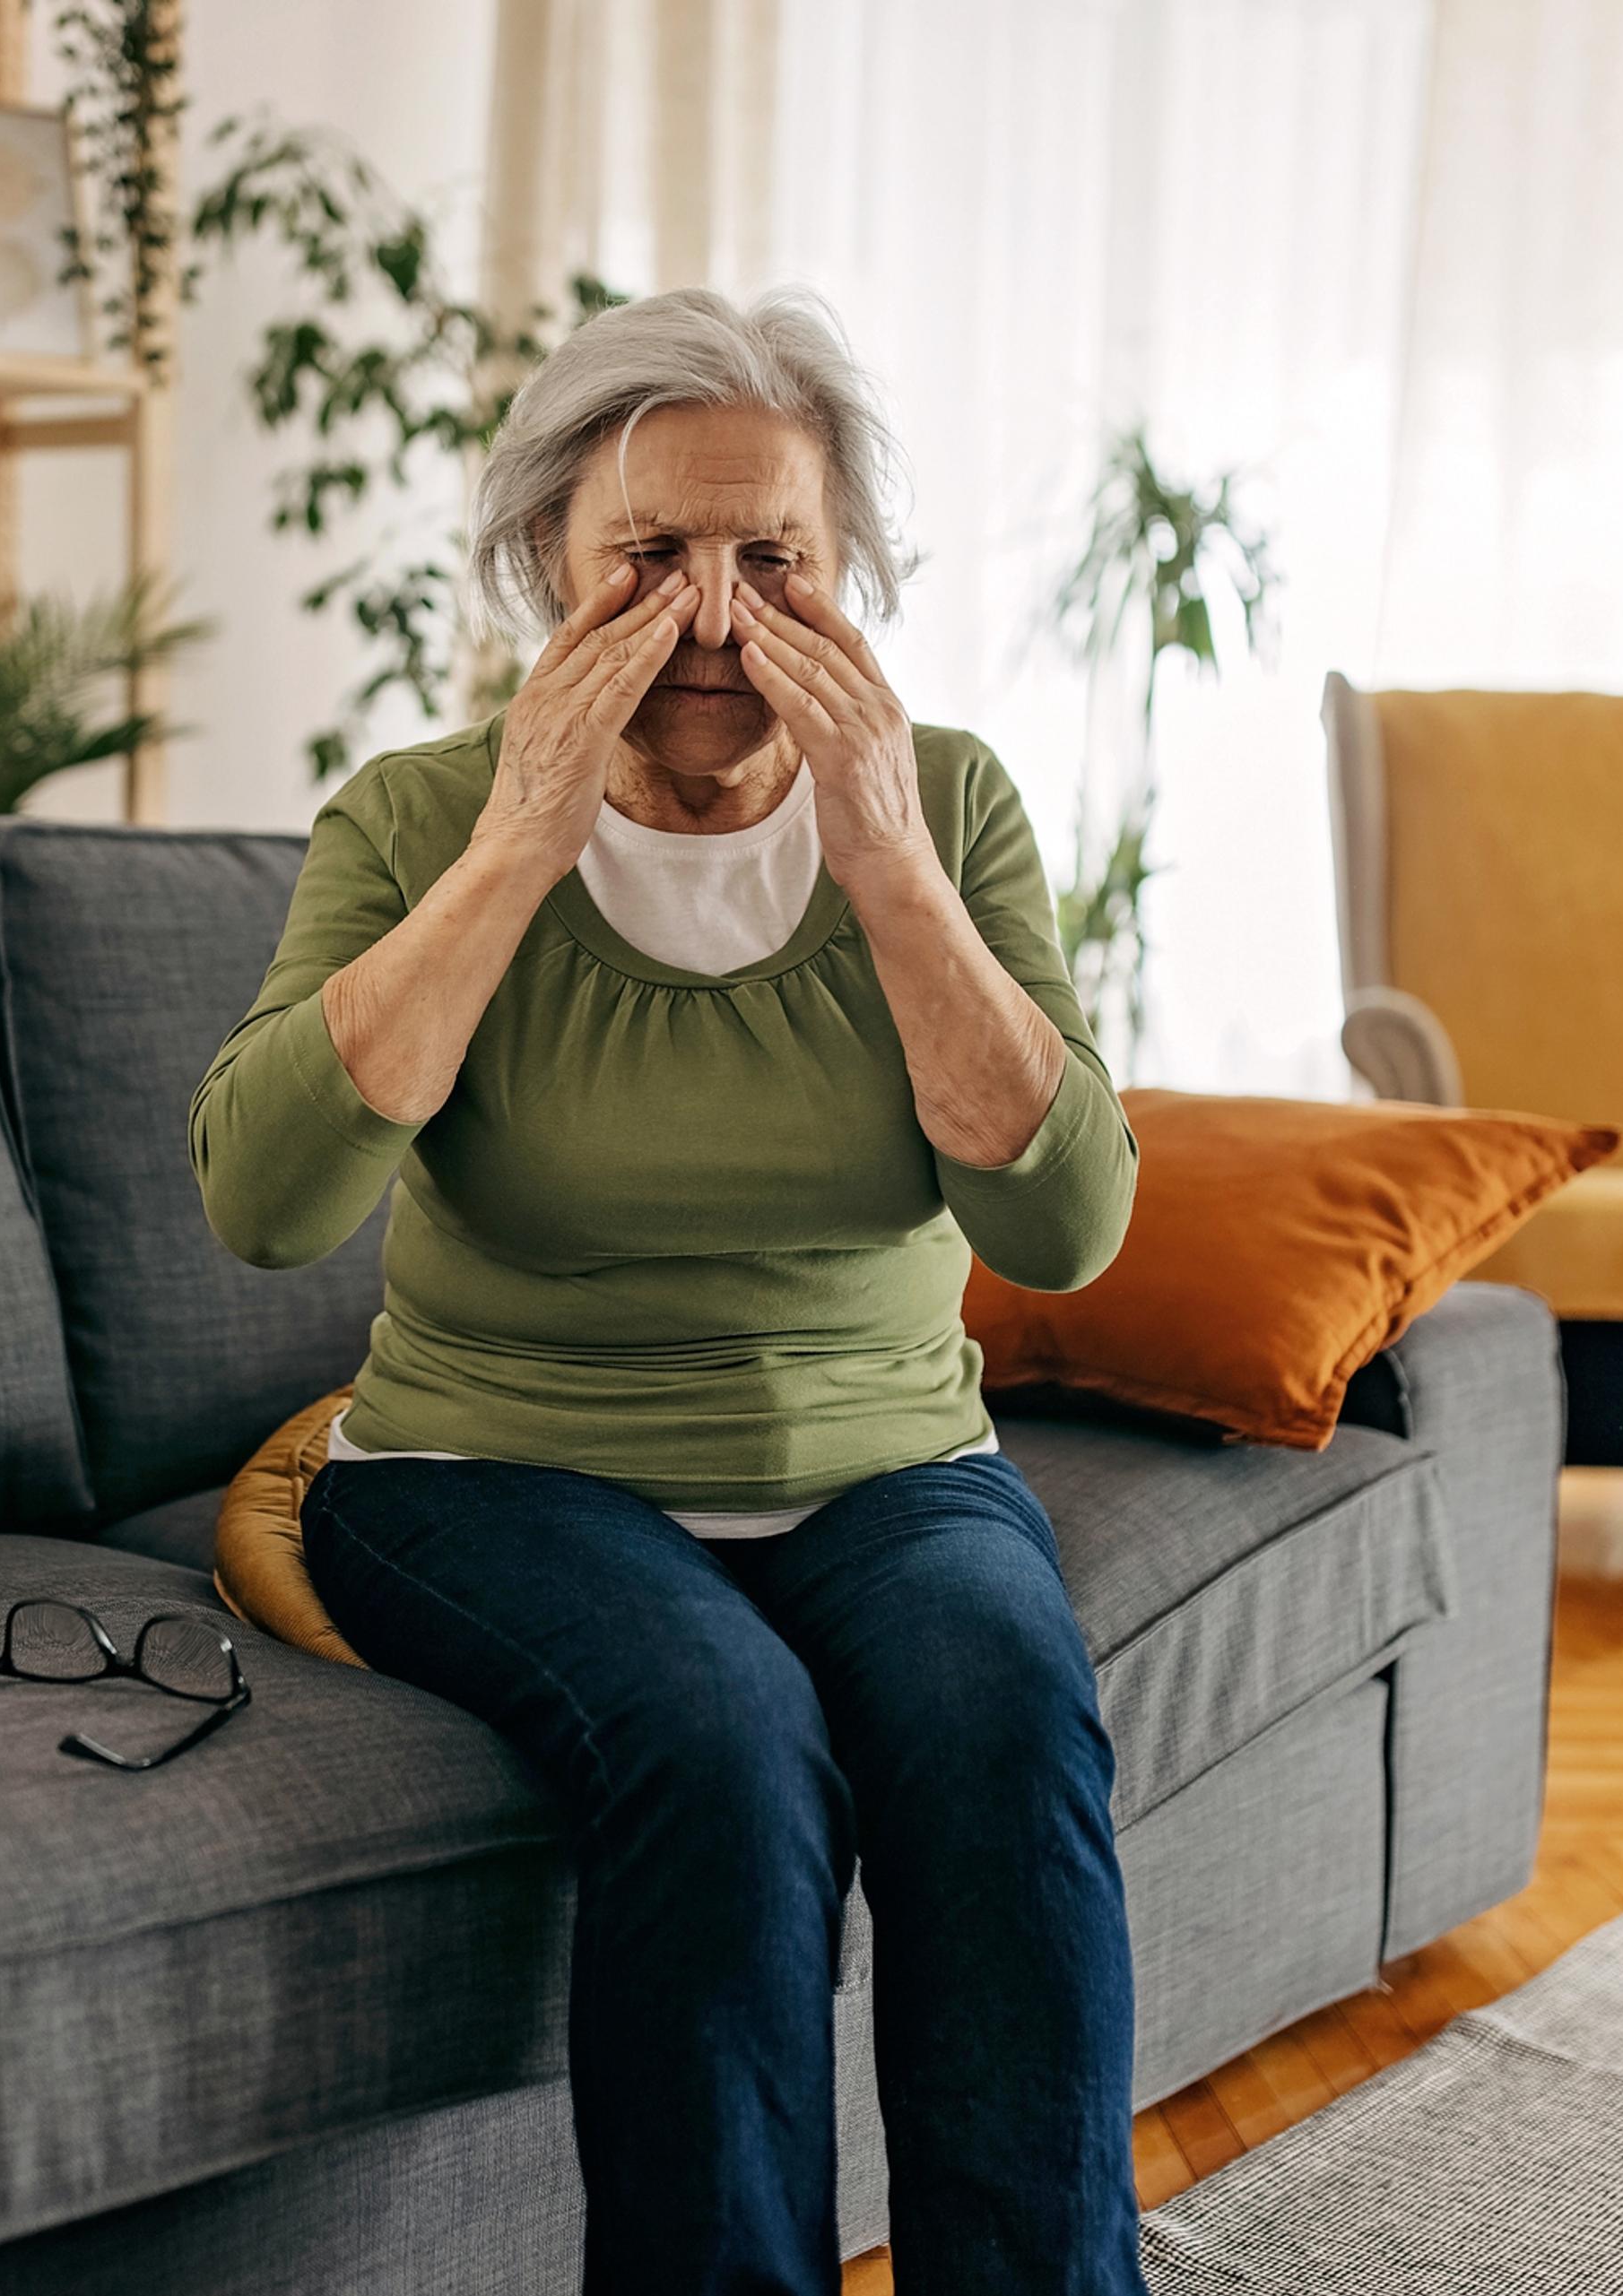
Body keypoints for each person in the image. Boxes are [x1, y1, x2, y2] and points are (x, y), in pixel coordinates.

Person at [190, 285, 1145, 2296]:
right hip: (495, 1462)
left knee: (1006, 1708)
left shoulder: (951, 804)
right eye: (650, 557)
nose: (715, 620)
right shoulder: (411, 821)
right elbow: (269, 1204)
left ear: (846, 578)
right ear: (550, 563)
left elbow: (1062, 1228)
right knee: (722, 1739)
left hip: (887, 1459)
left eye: (772, 559)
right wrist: (524, 837)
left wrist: (886, 859)